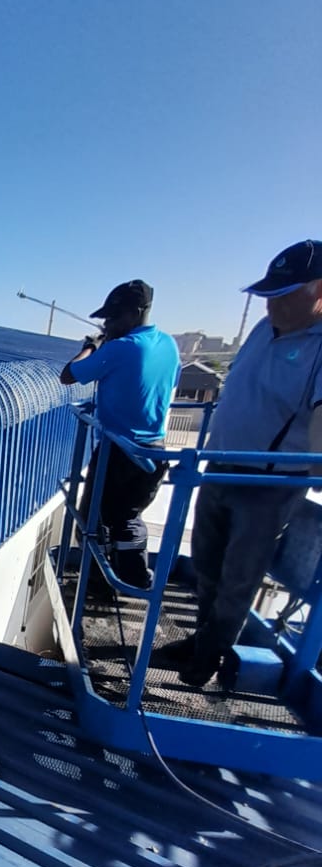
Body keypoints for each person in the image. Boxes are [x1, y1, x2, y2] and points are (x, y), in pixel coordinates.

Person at [171, 239, 322, 687]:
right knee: (206, 563)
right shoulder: (263, 329)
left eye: (284, 294)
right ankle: (202, 637)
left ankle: (212, 655)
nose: (272, 304)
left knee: (239, 574)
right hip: (220, 465)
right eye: (268, 294)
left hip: (266, 483)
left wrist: (318, 466)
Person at [60, 279, 180, 590]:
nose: (107, 323)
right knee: (126, 520)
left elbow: (68, 375)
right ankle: (136, 580)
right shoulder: (168, 344)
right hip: (153, 451)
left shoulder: (121, 347)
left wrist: (90, 346)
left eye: (112, 317)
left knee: (90, 523)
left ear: (135, 313)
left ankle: (98, 584)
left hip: (118, 451)